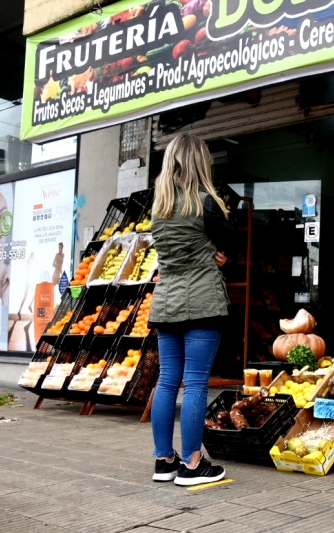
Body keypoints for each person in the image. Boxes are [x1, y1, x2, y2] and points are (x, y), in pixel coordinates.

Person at [148, 132, 235, 487]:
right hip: (201, 301)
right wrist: (221, 253)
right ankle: (193, 464)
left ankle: (163, 461)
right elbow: (233, 240)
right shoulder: (204, 203)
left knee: (167, 382)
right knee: (196, 384)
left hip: (166, 302)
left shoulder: (159, 208)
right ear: (201, 163)